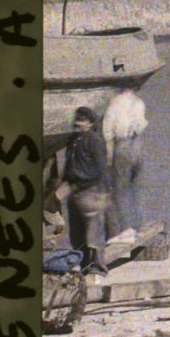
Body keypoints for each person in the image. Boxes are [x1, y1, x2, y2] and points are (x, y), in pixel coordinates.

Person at [62, 105, 112, 274]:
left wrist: (101, 190)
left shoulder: (94, 140)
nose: (77, 123)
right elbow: (69, 165)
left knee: (94, 234)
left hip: (90, 190)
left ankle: (98, 269)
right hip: (75, 191)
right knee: (76, 233)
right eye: (76, 120)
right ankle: (83, 266)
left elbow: (100, 168)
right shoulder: (73, 140)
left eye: (82, 120)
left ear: (90, 123)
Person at [102, 85, 148, 239]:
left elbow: (107, 131)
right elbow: (141, 124)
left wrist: (108, 157)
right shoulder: (139, 102)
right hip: (138, 145)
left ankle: (125, 229)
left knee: (119, 189)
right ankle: (140, 226)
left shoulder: (115, 103)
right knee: (136, 187)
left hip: (123, 145)